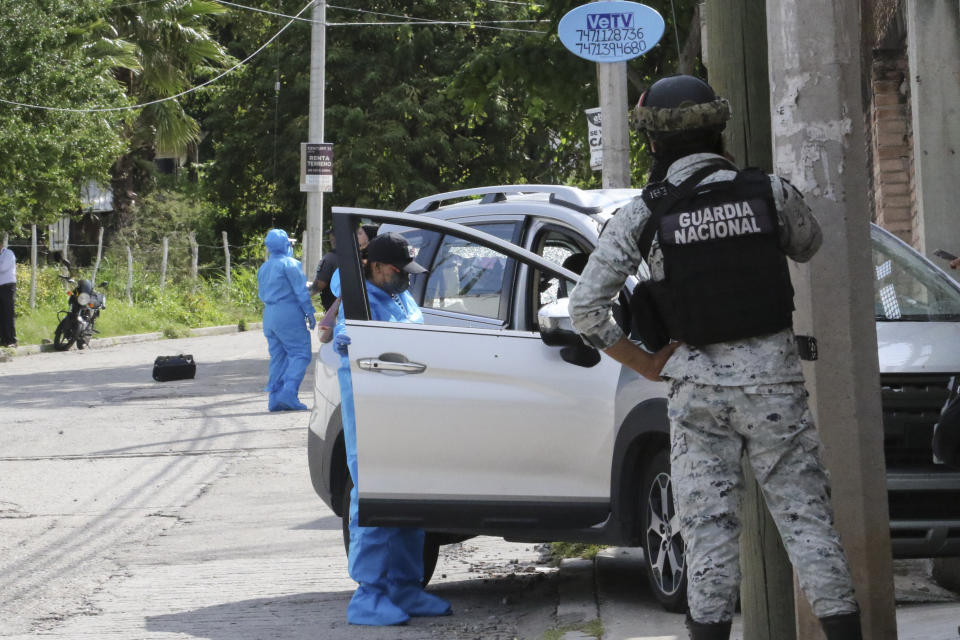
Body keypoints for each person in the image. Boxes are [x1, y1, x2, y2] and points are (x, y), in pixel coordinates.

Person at [568, 75, 861, 640]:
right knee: (809, 528)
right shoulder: (768, 191)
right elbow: (808, 243)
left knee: (707, 537)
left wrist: (647, 364)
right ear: (718, 128)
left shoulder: (643, 213)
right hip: (775, 386)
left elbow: (586, 311)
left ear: (652, 142)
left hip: (697, 395)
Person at [332, 232, 451, 626]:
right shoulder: (359, 302)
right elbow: (345, 345)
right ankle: (368, 596)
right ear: (377, 267)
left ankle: (404, 586)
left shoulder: (399, 295)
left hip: (407, 413)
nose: (408, 278)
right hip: (372, 414)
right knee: (375, 501)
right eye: (401, 271)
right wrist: (345, 344)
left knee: (407, 500)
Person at [257, 229, 316, 412]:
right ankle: (289, 392)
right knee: (300, 353)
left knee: (278, 356)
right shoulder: (290, 264)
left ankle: (274, 398)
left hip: (269, 314)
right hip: (288, 312)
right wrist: (310, 313)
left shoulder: (264, 267)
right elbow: (300, 291)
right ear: (285, 245)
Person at [310, 230, 339, 311]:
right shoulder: (354, 256)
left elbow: (320, 285)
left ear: (333, 238)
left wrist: (305, 295)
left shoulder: (329, 258)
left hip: (332, 306)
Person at [0, 243, 16, 348]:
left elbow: (2, 268)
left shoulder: (8, 253)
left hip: (8, 286)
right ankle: (3, 339)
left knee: (8, 313)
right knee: (1, 314)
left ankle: (12, 340)